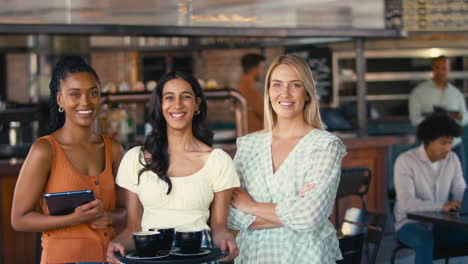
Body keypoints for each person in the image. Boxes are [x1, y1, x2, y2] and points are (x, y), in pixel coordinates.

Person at [106, 71, 239, 263]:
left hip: (198, 255)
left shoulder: (217, 160)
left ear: (197, 104)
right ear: (160, 105)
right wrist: (116, 244)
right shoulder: (136, 159)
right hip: (150, 254)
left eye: (186, 97)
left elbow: (219, 228)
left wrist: (227, 240)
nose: (177, 104)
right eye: (169, 97)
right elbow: (132, 228)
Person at [228, 54, 346, 263]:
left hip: (308, 256)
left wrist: (251, 206)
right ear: (268, 92)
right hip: (255, 257)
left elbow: (309, 216)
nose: (285, 93)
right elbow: (230, 215)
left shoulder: (324, 145)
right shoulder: (247, 146)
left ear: (307, 93)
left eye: (295, 85)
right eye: (277, 85)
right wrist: (294, 209)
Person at [11, 56, 125, 264]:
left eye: (93, 93)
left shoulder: (114, 150)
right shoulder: (45, 150)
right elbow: (19, 219)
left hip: (109, 259)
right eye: (75, 94)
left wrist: (111, 217)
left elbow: (128, 211)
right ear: (60, 99)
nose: (85, 102)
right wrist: (75, 219)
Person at [394, 113, 468, 264]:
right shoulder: (405, 161)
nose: (448, 148)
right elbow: (406, 203)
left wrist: (463, 204)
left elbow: (461, 190)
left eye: (450, 142)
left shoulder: (452, 159)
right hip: (408, 224)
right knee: (425, 241)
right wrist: (442, 206)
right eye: (443, 142)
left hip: (441, 224)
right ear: (428, 140)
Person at [409, 56, 468, 177]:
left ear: (449, 70)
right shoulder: (419, 92)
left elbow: (465, 117)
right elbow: (415, 119)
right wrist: (435, 121)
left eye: (444, 68)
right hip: (430, 147)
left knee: (458, 184)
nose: (441, 71)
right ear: (432, 69)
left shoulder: (456, 93)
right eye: (437, 68)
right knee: (429, 183)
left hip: (454, 146)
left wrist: (453, 117)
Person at [237, 53, 266, 133]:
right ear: (254, 69)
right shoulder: (249, 90)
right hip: (256, 140)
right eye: (262, 68)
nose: (262, 72)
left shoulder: (242, 88)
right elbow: (268, 115)